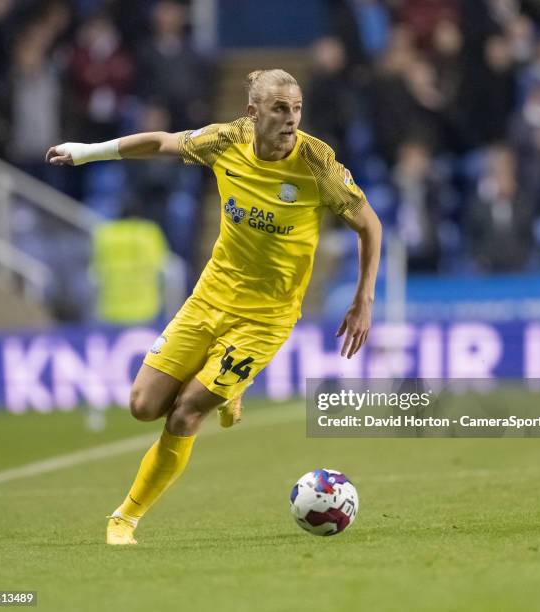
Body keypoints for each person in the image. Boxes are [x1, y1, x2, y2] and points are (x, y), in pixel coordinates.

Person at [46, 69, 382, 545]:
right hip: (211, 296)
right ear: (253, 112)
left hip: (265, 317)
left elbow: (370, 226)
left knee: (186, 412)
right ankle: (227, 386)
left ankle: (125, 517)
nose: (292, 120)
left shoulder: (317, 163)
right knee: (143, 406)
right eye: (280, 109)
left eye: (297, 109)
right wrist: (87, 152)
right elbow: (161, 142)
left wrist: (362, 299)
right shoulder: (226, 140)